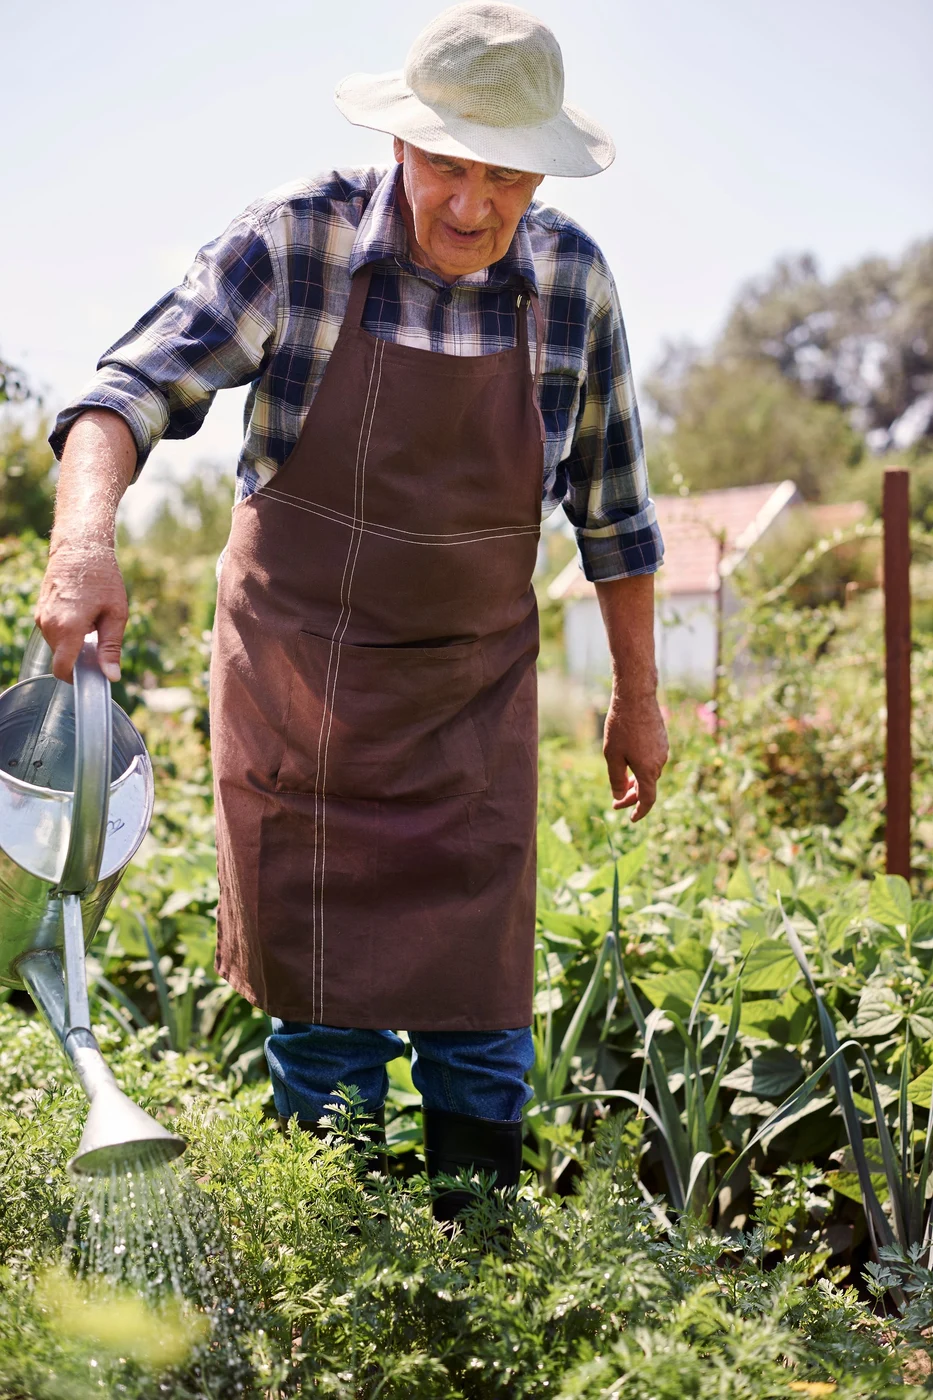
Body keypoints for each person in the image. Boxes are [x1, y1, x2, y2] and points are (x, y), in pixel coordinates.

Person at [39, 1, 668, 1217]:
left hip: (467, 703)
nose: (473, 204)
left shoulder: (572, 284)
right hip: (301, 695)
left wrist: (637, 697)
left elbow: (617, 513)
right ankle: (346, 1284)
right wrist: (82, 539)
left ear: (540, 166)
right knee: (324, 1031)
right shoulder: (295, 243)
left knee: (481, 1024)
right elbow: (121, 394)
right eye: (447, 165)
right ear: (401, 146)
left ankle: (472, 1279)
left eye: (503, 173)